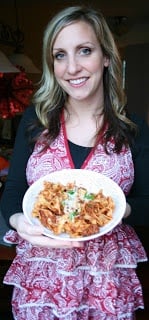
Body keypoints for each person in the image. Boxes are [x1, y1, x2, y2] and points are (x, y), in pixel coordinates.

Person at [0, 6, 147, 320]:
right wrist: (19, 222)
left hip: (107, 281)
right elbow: (13, 191)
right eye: (60, 55)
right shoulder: (34, 121)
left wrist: (117, 207)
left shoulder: (134, 129)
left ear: (106, 57)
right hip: (40, 280)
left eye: (85, 50)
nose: (72, 68)